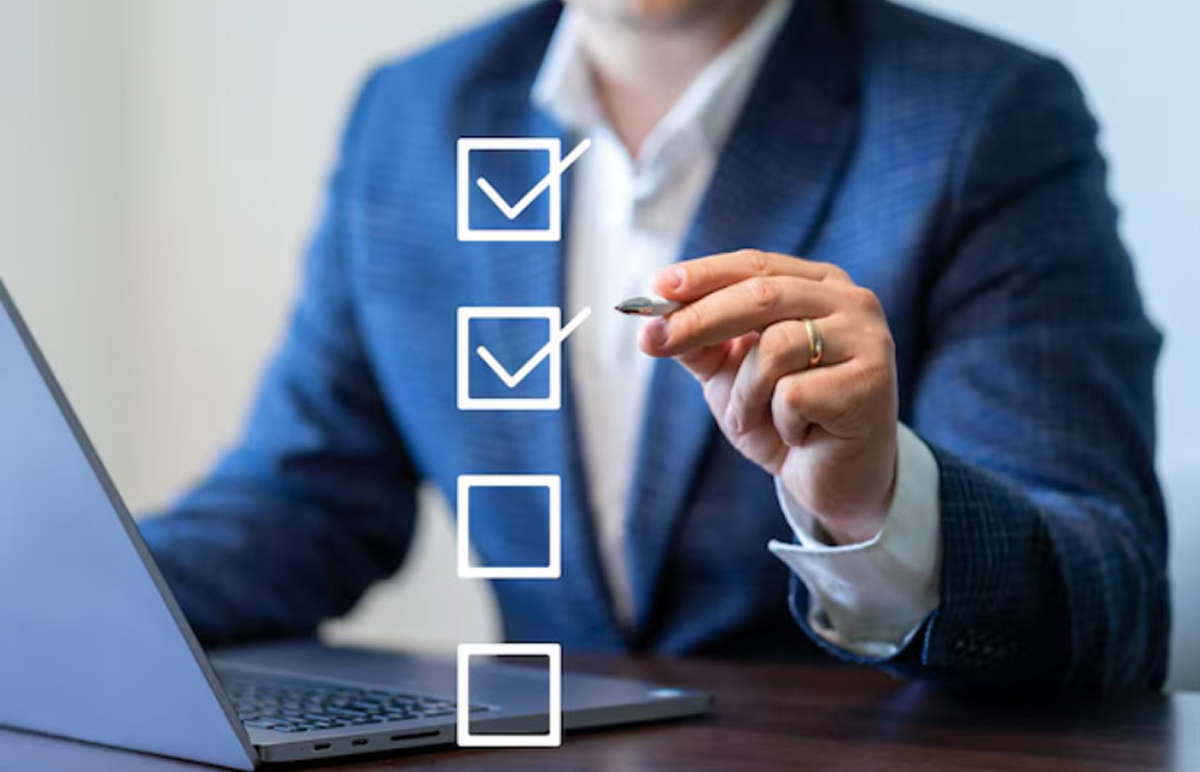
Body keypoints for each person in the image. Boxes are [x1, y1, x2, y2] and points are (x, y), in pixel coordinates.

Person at [140, 0, 1170, 690]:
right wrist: (58, 597)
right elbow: (304, 503)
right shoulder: (410, 116)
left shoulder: (982, 116)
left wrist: (876, 500)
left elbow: (1110, 598)